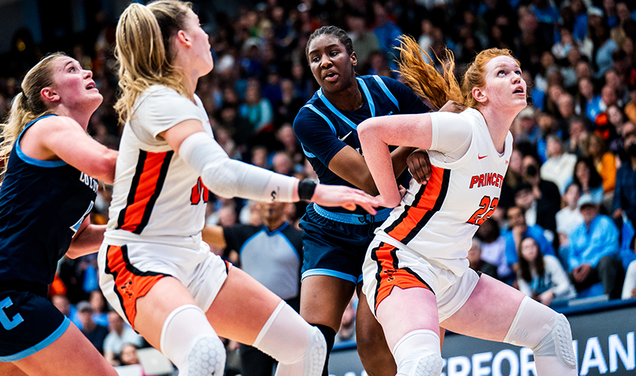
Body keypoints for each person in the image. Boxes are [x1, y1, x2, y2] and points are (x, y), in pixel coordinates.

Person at [97, 4, 378, 376]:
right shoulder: (158, 100)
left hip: (191, 257)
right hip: (141, 258)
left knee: (305, 345)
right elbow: (219, 175)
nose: (208, 36)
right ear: (183, 38)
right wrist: (313, 191)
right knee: (205, 355)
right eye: (200, 26)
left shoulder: (189, 102)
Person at [357, 36, 578, 376]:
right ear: (480, 93)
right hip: (402, 261)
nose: (517, 77)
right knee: (424, 364)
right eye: (503, 73)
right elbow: (371, 131)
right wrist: (388, 198)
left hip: (453, 276)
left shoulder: (506, 144)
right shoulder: (461, 128)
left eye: (518, 71)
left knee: (553, 331)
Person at [293, 25, 440, 375]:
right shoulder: (309, 120)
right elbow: (370, 180)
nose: (325, 62)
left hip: (387, 231)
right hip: (332, 231)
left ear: (352, 57)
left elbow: (436, 122)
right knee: (308, 345)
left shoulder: (387, 90)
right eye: (315, 58)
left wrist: (424, 144)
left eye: (333, 52)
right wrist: (413, 145)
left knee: (372, 344)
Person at [0, 53, 119, 376]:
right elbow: (111, 165)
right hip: (9, 290)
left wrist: (130, 230)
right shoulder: (49, 126)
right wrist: (181, 159)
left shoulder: (77, 158)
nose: (87, 71)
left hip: (21, 290)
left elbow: (75, 241)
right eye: (72, 69)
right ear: (50, 95)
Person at [202, 200, 303, 376]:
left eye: (276, 199)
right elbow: (204, 233)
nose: (270, 204)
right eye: (266, 199)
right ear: (257, 204)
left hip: (290, 319)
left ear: (286, 205)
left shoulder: (299, 238)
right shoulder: (244, 233)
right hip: (253, 323)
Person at [564, 197, 624, 299]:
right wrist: (576, 267)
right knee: (566, 276)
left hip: (601, 265)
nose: (587, 211)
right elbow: (572, 255)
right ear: (580, 212)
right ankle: (573, 307)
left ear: (596, 209)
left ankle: (609, 299)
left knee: (606, 261)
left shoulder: (605, 222)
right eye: (584, 209)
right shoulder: (575, 231)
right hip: (583, 269)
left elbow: (613, 247)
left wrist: (591, 263)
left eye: (590, 208)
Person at [517, 237, 577, 306]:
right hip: (545, 307)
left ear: (538, 248)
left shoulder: (550, 261)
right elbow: (526, 295)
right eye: (526, 247)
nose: (530, 249)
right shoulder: (521, 272)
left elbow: (565, 285)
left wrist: (552, 293)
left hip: (566, 301)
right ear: (521, 253)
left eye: (533, 246)